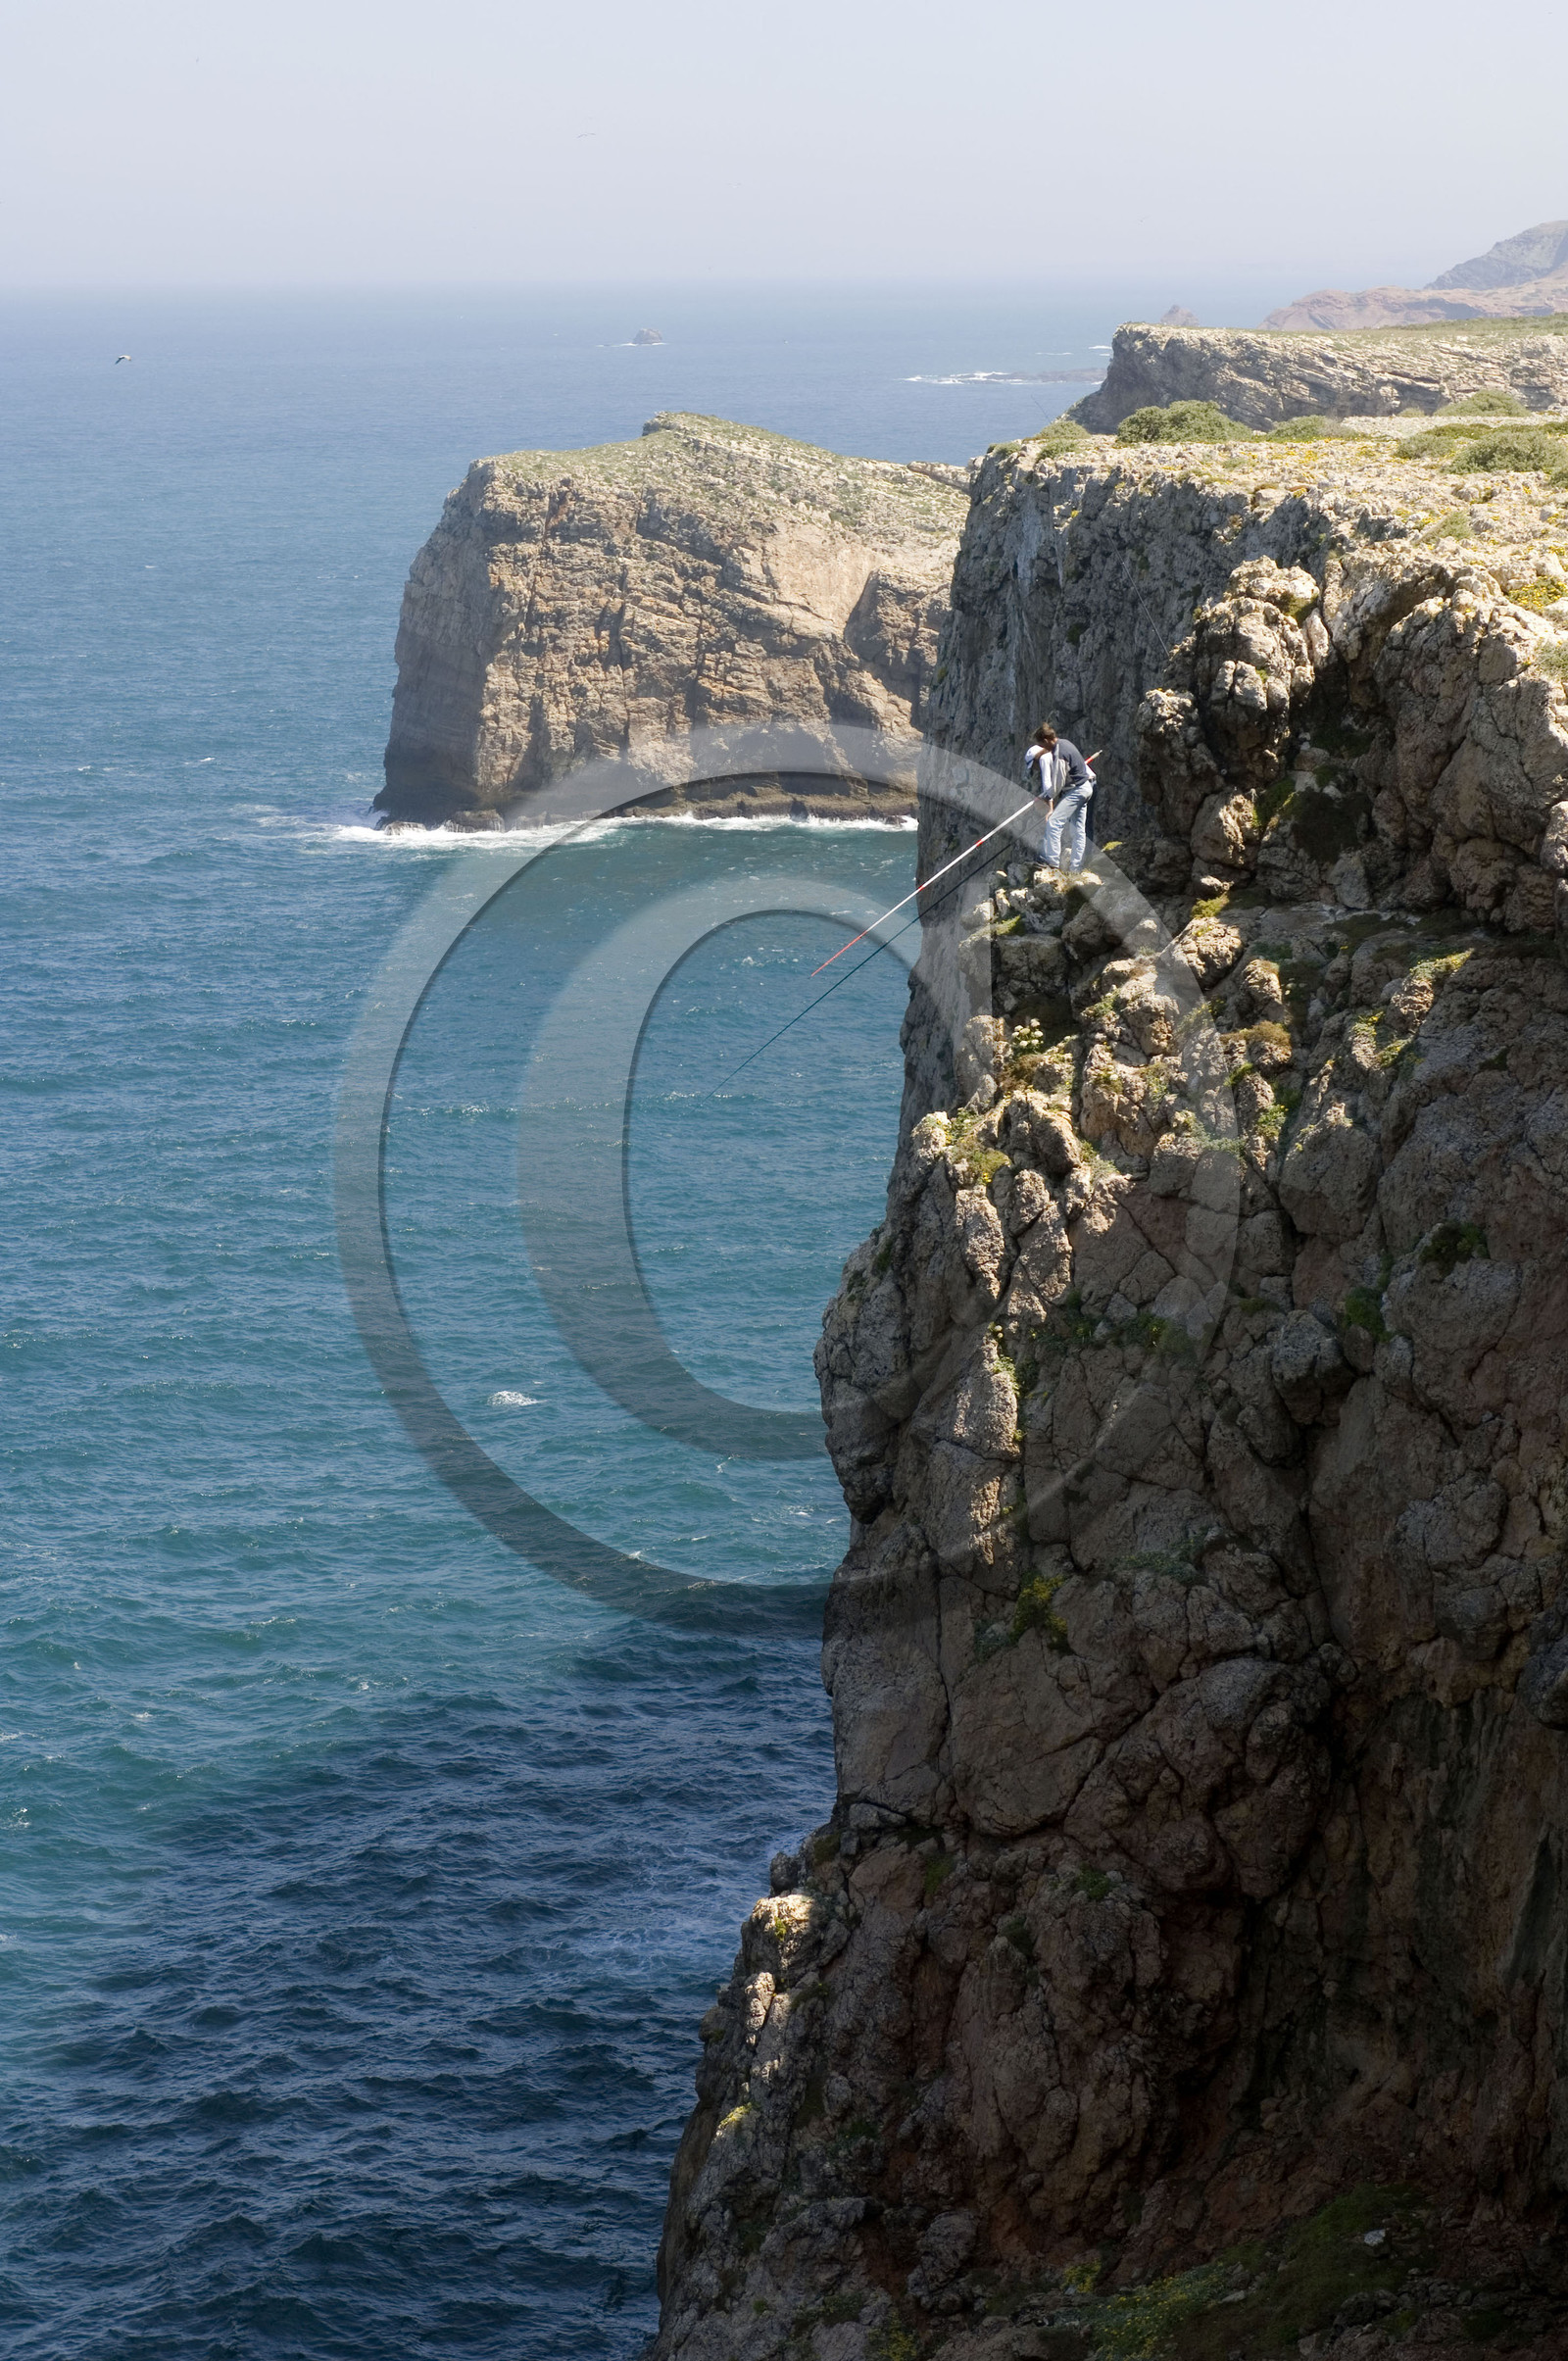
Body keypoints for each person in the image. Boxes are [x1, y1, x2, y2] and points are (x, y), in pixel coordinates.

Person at [1022, 722, 1096, 874]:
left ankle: (1052, 863)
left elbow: (1058, 781)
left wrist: (1048, 797)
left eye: (1042, 743)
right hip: (1085, 788)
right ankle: (1076, 869)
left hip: (1076, 790)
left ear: (1046, 740)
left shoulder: (1059, 752)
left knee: (1054, 823)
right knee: (1078, 830)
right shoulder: (1065, 743)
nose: (1043, 748)